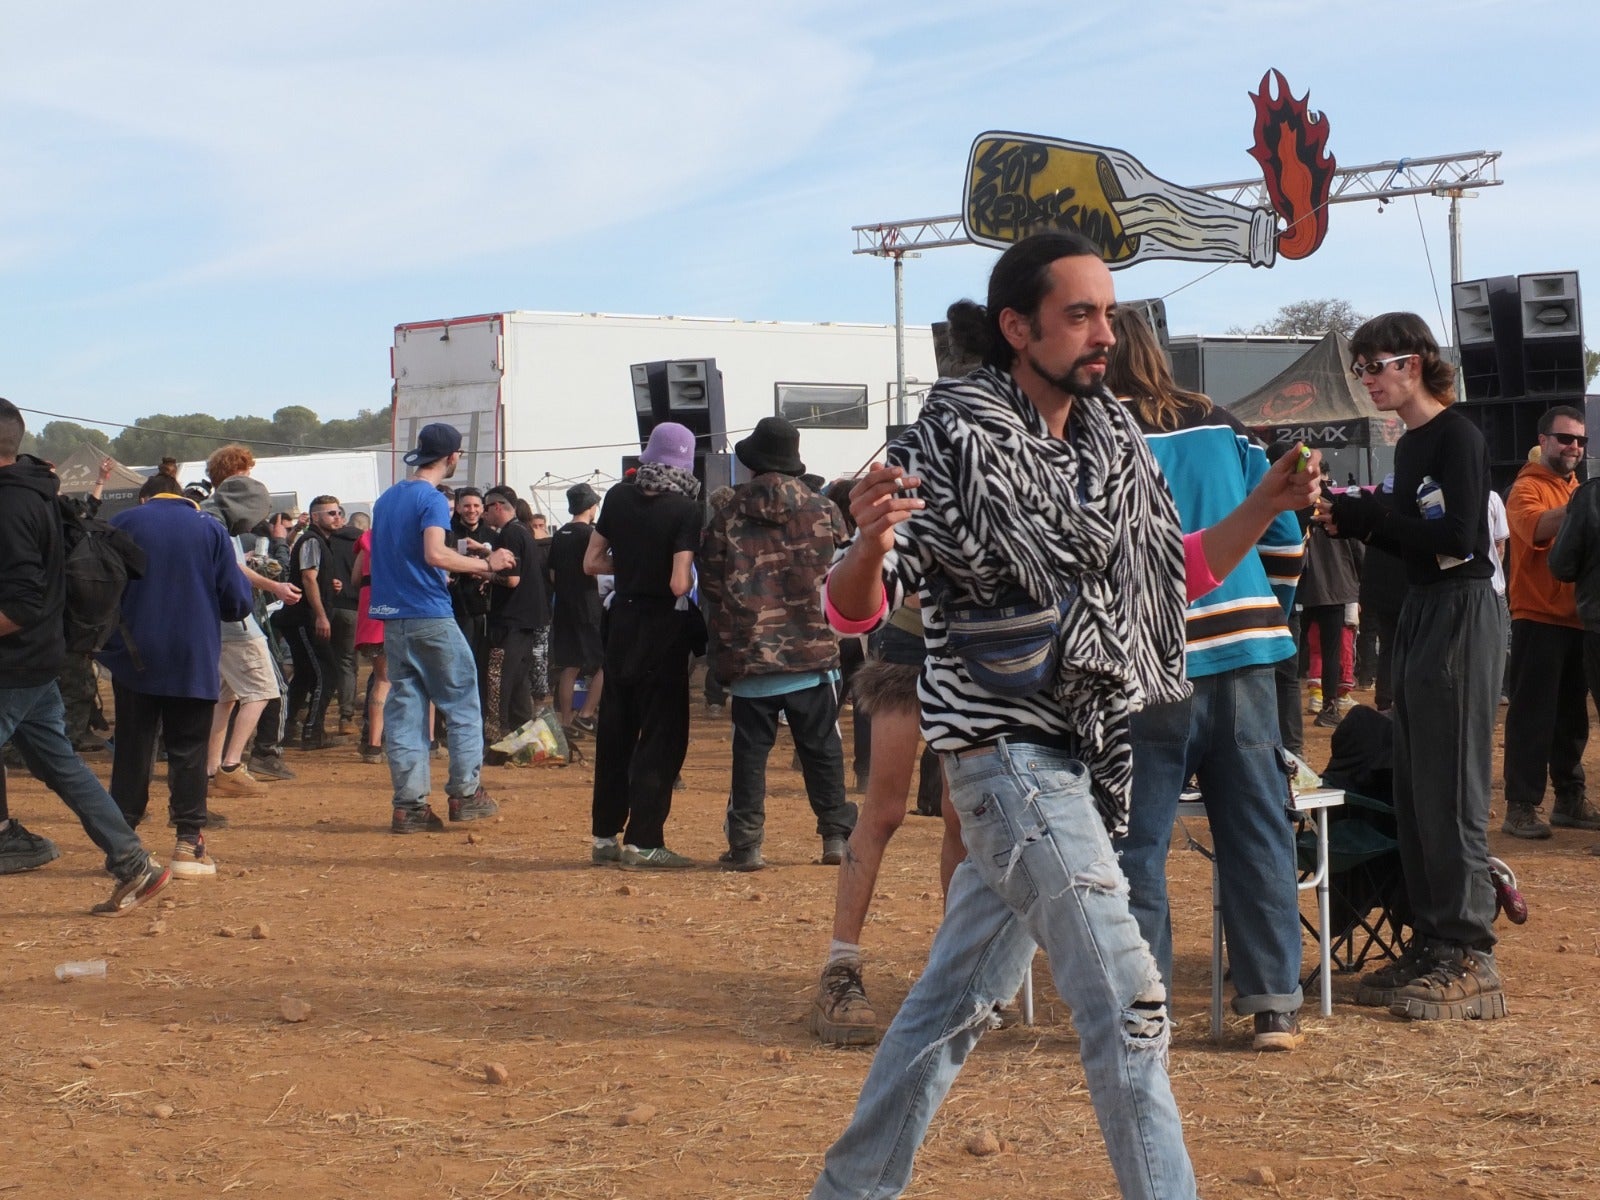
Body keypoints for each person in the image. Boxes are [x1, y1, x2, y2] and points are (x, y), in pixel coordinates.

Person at [814, 232, 1218, 1200]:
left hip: (1078, 757)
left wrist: (1271, 503)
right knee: (1125, 999)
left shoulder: (1108, 445)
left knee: (949, 1007)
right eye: (1080, 314)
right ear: (1015, 326)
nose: (1102, 336)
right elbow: (855, 607)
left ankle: (849, 1191)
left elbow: (1176, 573)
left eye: (1108, 315)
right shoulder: (939, 446)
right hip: (1003, 759)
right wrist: (867, 543)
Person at [1107, 306, 1310, 1052]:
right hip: (1245, 655)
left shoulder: (1089, 432)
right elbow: (1285, 533)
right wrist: (1267, 614)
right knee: (1257, 828)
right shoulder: (1225, 426)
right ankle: (1274, 1009)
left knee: (1138, 845)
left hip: (1148, 663)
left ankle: (1145, 1007)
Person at [1319, 312, 1505, 1022]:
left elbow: (1460, 540)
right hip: (1428, 610)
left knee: (1451, 786)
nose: (1367, 378)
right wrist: (1348, 512)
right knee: (1417, 785)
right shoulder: (1412, 443)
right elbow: (1415, 539)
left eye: (1377, 364)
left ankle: (1469, 954)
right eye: (1361, 367)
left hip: (1460, 610)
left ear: (1417, 362)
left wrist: (1371, 523)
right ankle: (1432, 940)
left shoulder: (1455, 435)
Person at [0, 398, 173, 912]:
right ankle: (134, 864)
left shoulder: (10, 505)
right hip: (38, 661)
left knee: (64, 766)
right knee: (63, 767)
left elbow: (24, 601)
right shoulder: (37, 493)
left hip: (12, 664)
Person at [699, 416, 857, 871]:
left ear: (751, 463)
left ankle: (746, 844)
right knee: (822, 748)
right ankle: (835, 839)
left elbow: (710, 585)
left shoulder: (727, 515)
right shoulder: (825, 509)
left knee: (749, 755)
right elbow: (846, 575)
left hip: (750, 656)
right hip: (814, 654)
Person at [102, 471, 255, 880]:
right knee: (188, 749)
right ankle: (188, 843)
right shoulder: (210, 528)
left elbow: (99, 588)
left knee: (133, 748)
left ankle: (123, 846)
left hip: (132, 655)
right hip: (192, 655)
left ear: (144, 498)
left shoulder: (122, 523)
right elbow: (237, 602)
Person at [369, 423, 513, 832]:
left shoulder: (387, 499)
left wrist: (458, 554)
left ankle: (409, 807)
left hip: (394, 619)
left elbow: (409, 553)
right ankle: (466, 795)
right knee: (463, 704)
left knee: (407, 708)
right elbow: (434, 554)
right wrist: (487, 564)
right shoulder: (431, 499)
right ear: (453, 457)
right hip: (430, 614)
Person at [585, 422, 703, 870]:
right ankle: (644, 840)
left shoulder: (617, 495)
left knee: (616, 729)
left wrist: (632, 562)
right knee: (661, 734)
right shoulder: (686, 509)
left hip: (621, 621)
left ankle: (603, 837)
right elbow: (678, 582)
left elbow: (591, 561)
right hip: (661, 628)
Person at [1501, 405, 1600, 838]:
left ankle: (1569, 798)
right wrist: (1580, 508)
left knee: (1572, 719)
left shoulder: (1578, 489)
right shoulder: (1527, 488)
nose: (1574, 447)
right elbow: (1535, 529)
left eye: (1581, 440)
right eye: (1565, 438)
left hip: (1579, 621)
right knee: (1530, 716)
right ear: (1543, 441)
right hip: (1537, 617)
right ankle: (1520, 807)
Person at [199, 445, 301, 800]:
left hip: (213, 620)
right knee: (263, 688)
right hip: (235, 619)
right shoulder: (219, 518)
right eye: (246, 472)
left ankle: (211, 770)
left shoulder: (207, 514)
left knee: (225, 697)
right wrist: (275, 585)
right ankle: (230, 766)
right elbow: (234, 569)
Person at [276, 495, 351, 750]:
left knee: (306, 674)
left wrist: (331, 585)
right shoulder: (311, 540)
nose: (337, 517)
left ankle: (285, 728)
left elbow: (314, 577)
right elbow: (308, 578)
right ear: (316, 517)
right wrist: (320, 615)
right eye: (331, 513)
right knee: (326, 674)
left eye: (339, 512)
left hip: (304, 616)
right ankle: (313, 731)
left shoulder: (322, 542)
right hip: (303, 618)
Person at [479, 484, 551, 747]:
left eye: (486, 508)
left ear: (497, 506)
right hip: (528, 619)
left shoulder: (509, 534)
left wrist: (481, 571)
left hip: (510, 620)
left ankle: (497, 741)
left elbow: (511, 580)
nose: (484, 514)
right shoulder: (523, 530)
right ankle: (522, 739)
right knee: (519, 682)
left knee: (498, 680)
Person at [548, 483, 606, 733]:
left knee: (570, 665)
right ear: (592, 507)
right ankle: (587, 713)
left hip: (563, 607)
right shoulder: (590, 535)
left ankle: (565, 722)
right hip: (588, 606)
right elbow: (593, 569)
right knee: (606, 662)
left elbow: (552, 574)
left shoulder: (559, 534)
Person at [1300, 513, 1363, 729]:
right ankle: (1329, 706)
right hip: (1336, 590)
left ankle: (1312, 699)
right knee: (1331, 651)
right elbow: (1359, 554)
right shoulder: (1341, 517)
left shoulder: (1301, 516)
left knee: (1307, 648)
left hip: (1306, 592)